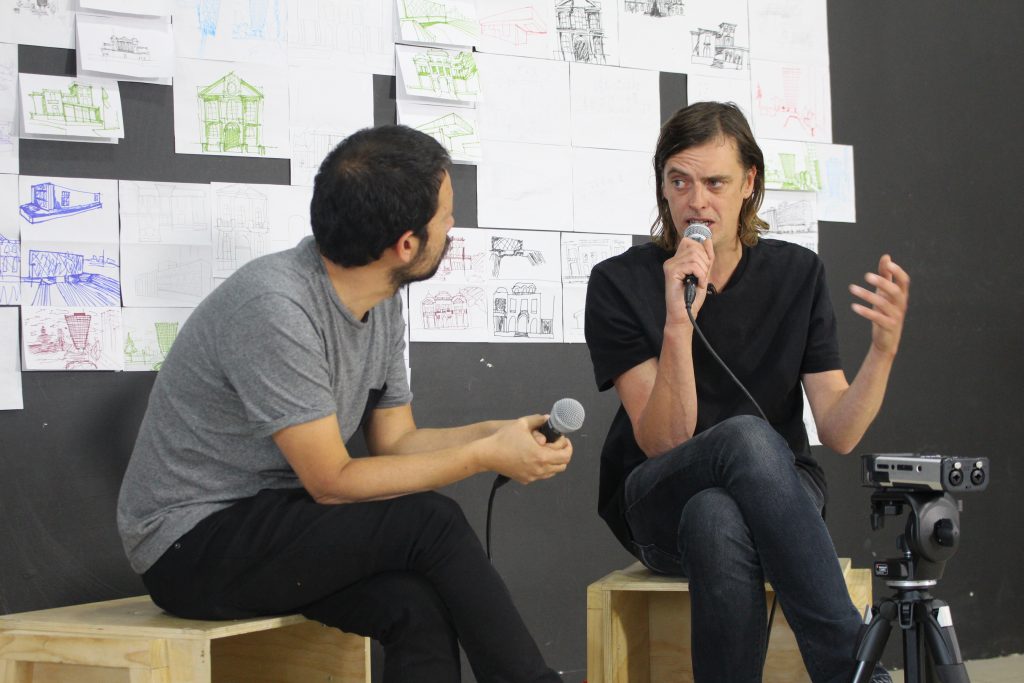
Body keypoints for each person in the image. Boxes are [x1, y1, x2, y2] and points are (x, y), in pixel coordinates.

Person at [117, 125, 571, 683]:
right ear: (407, 245)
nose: (453, 228)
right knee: (430, 521)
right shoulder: (276, 306)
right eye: (446, 218)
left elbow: (396, 443)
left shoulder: (382, 300)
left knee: (414, 604)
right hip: (189, 544)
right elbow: (331, 481)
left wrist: (494, 435)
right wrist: (483, 458)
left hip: (279, 522)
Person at [584, 102, 909, 683]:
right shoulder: (618, 282)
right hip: (659, 501)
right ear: (662, 186)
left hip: (777, 499)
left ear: (749, 184)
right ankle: (854, 672)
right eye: (679, 182)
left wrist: (881, 353)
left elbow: (838, 432)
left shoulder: (798, 273)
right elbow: (663, 441)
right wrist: (678, 319)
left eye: (715, 183)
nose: (696, 202)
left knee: (717, 515)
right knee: (745, 438)